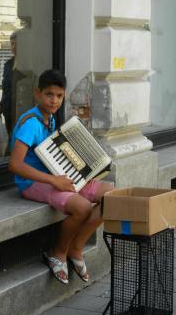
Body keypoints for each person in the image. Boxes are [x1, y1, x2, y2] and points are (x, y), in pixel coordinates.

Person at [8, 69, 114, 285]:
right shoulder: (31, 123)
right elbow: (15, 165)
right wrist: (54, 181)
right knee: (83, 207)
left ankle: (76, 249)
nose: (54, 100)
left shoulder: (51, 120)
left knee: (113, 197)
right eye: (49, 94)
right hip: (32, 183)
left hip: (55, 177)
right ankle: (58, 252)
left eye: (59, 95)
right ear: (37, 94)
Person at [0, 31, 17, 136]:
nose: (14, 47)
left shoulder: (29, 65)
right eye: (12, 43)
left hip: (22, 110)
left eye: (16, 43)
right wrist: (0, 110)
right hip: (8, 110)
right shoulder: (8, 65)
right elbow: (6, 90)